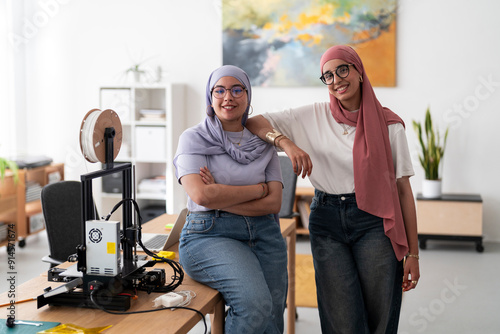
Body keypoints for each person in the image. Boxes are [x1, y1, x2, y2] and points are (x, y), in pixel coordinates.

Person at [245, 45, 420, 334]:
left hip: (374, 221)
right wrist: (288, 145)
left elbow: (403, 192)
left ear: (359, 71)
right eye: (328, 75)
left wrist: (413, 253)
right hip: (326, 219)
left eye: (343, 70)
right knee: (340, 317)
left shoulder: (390, 126)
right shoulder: (313, 115)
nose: (336, 79)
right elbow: (254, 122)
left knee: (380, 314)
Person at [173, 65, 288, 334]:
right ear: (210, 97)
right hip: (210, 234)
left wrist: (220, 194)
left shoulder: (262, 141)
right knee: (255, 304)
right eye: (220, 90)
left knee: (271, 317)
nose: (229, 97)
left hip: (265, 232)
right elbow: (201, 195)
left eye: (237, 90)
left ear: (248, 96)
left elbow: (274, 204)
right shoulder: (193, 138)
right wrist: (258, 189)